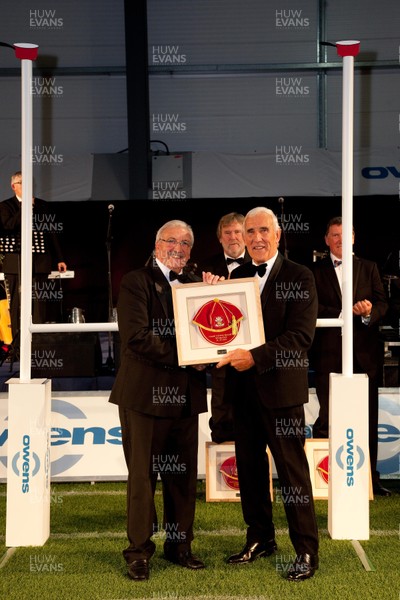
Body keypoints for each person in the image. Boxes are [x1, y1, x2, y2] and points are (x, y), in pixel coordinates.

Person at [109, 219, 218, 581]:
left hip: (185, 396)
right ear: (157, 245)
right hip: (143, 396)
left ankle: (179, 546)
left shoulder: (195, 284)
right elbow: (137, 338)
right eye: (171, 241)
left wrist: (219, 292)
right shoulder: (135, 282)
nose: (179, 248)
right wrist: (189, 355)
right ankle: (138, 552)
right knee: (143, 478)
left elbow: (220, 324)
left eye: (186, 243)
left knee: (182, 478)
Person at [216, 206, 319, 582]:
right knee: (251, 470)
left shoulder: (301, 275)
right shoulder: (237, 275)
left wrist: (254, 358)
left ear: (277, 235)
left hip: (282, 393)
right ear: (241, 238)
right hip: (243, 393)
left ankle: (306, 550)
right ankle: (260, 538)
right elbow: (223, 330)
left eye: (263, 231)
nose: (256, 238)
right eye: (249, 232)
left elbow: (300, 338)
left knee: (293, 476)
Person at [311, 216, 390, 496]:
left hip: (365, 356)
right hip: (327, 354)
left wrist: (369, 312)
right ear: (326, 240)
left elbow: (383, 303)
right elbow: (311, 307)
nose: (340, 240)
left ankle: (370, 479)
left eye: (345, 235)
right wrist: (344, 315)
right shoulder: (313, 271)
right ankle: (323, 479)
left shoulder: (369, 268)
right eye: (334, 235)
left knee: (367, 418)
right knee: (327, 417)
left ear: (354, 238)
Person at [198, 212, 251, 443]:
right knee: (220, 414)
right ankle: (223, 474)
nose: (233, 237)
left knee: (251, 415)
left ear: (246, 235)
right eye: (227, 233)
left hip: (252, 355)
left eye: (238, 232)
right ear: (220, 238)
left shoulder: (259, 265)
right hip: (218, 355)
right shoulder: (205, 268)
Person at [0, 171, 67, 347]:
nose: (27, 186)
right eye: (22, 183)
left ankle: (38, 342)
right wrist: (24, 208)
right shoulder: (5, 206)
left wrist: (60, 258)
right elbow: (8, 226)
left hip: (40, 261)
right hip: (15, 262)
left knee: (40, 302)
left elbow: (51, 233)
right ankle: (16, 345)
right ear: (13, 186)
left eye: (29, 182)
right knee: (16, 303)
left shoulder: (42, 205)